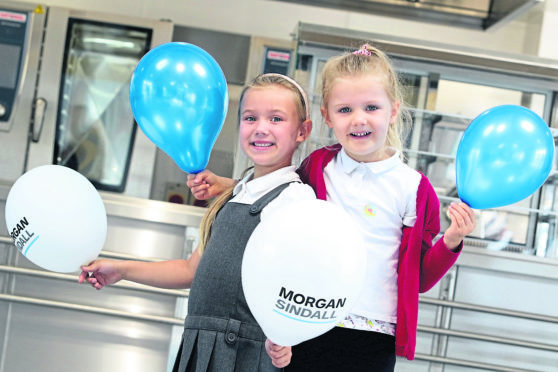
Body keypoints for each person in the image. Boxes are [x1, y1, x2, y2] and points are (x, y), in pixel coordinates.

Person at [187, 44, 476, 371]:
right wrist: (228, 185)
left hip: (373, 336)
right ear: (326, 116)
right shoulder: (318, 166)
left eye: (371, 107)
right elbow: (276, 188)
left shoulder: (414, 188)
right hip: (308, 322)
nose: (359, 119)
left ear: (393, 110)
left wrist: (451, 242)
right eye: (344, 110)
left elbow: (419, 279)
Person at [79, 73, 315, 372]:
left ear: (302, 131)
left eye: (276, 119)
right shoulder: (235, 195)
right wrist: (121, 270)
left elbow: (301, 282)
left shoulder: (294, 199)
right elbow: (191, 270)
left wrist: (287, 337)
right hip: (202, 345)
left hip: (244, 353)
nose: (261, 128)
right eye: (250, 117)